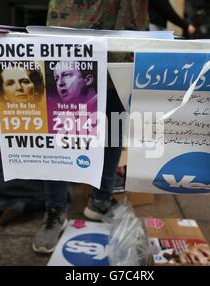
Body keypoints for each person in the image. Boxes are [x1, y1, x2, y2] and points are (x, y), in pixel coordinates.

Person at [32, 0, 149, 254]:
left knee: (116, 110)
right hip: (74, 15)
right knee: (61, 118)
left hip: (126, 16)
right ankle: (55, 208)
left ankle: (101, 200)